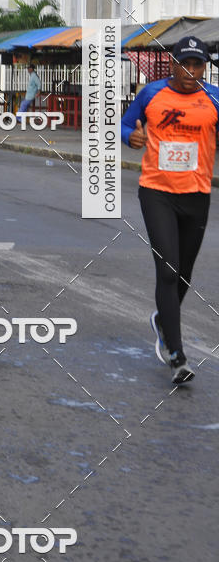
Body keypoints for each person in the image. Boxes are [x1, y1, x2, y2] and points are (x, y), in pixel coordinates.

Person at [121, 36, 219, 385]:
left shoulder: (213, 97)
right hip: (157, 191)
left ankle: (164, 319)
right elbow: (123, 124)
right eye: (185, 64)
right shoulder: (151, 94)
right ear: (173, 64)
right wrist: (129, 138)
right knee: (168, 270)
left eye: (198, 65)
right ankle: (177, 356)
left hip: (197, 194)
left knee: (184, 275)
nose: (191, 71)